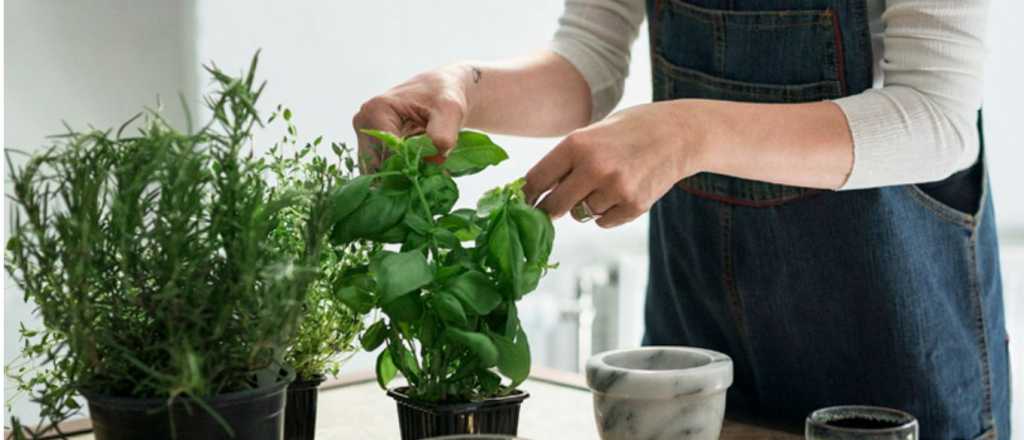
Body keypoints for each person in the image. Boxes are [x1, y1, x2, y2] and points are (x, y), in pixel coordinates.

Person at [353, 0, 1009, 437]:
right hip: (697, 344)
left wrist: (689, 132)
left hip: (888, 350)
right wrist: (463, 87)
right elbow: (589, 57)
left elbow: (935, 117)